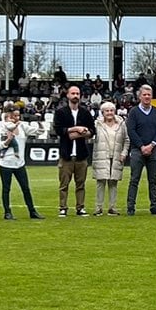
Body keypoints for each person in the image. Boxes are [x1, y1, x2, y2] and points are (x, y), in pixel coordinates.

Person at [52, 83, 95, 217]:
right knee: (64, 184)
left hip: (82, 155)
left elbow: (92, 131)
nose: (75, 96)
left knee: (80, 184)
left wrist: (77, 134)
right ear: (68, 95)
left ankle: (80, 208)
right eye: (73, 93)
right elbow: (59, 130)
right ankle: (63, 208)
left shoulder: (85, 113)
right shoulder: (61, 112)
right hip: (66, 155)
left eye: (77, 94)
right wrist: (76, 128)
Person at [0, 101, 42, 219]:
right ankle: (7, 212)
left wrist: (39, 121)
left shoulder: (22, 126)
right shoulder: (2, 128)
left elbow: (39, 132)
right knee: (6, 189)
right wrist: (7, 141)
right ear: (8, 116)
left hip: (19, 164)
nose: (16, 118)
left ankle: (32, 211)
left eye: (18, 115)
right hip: (6, 164)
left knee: (26, 188)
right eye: (14, 115)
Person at [124, 84, 156, 215]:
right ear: (139, 96)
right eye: (144, 95)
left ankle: (154, 206)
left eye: (149, 94)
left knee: (153, 180)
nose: (147, 97)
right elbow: (131, 130)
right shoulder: (134, 112)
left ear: (152, 96)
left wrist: (151, 145)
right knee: (134, 179)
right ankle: (131, 207)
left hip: (154, 150)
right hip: (137, 150)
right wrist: (142, 146)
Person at [92, 101, 130, 214]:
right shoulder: (97, 124)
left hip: (117, 156)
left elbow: (126, 140)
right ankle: (98, 208)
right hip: (101, 156)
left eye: (111, 110)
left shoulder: (121, 124)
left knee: (113, 183)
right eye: (107, 111)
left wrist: (124, 153)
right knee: (101, 182)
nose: (109, 113)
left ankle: (112, 207)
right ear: (102, 112)